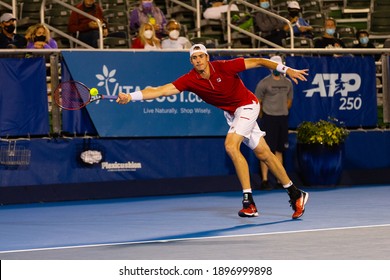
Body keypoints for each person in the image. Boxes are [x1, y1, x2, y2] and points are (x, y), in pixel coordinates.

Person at [116, 44, 309, 219]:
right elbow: (161, 90)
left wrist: (286, 69)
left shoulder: (225, 66)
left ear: (207, 58)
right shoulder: (190, 79)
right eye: (194, 58)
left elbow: (259, 61)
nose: (198, 60)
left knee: (231, 146)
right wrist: (130, 97)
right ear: (191, 61)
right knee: (263, 153)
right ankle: (295, 193)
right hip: (233, 114)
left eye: (201, 56)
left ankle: (248, 202)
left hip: (248, 106)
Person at [255, 55, 293, 191]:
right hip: (268, 119)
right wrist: (263, 115)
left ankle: (279, 180)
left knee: (279, 150)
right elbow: (258, 101)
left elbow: (289, 100)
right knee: (265, 150)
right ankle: (265, 180)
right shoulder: (264, 83)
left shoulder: (288, 83)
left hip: (282, 118)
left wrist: (281, 110)